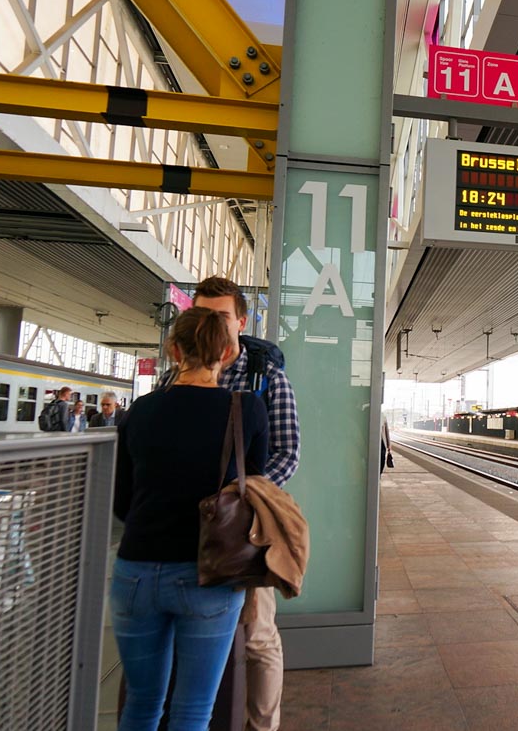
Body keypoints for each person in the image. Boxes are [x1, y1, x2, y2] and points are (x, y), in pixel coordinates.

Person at [112, 307, 269, 731]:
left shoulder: (139, 412)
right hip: (210, 575)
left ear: (173, 349)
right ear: (227, 352)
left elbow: (121, 502)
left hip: (135, 573)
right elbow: (255, 487)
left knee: (141, 705)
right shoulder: (248, 410)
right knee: (195, 709)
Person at [159, 276, 299, 731]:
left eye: (219, 317)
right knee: (183, 636)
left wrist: (240, 500)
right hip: (182, 529)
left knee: (257, 636)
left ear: (241, 321)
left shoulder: (267, 379)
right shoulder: (172, 378)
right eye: (200, 316)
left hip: (244, 529)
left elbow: (286, 453)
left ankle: (262, 725)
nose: (209, 325)